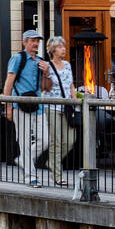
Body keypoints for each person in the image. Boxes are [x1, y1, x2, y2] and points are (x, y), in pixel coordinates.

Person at [2, 29, 46, 186]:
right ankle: (30, 177)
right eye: (32, 40)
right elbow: (9, 83)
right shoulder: (17, 59)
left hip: (38, 105)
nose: (36, 43)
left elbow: (44, 87)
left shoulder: (40, 61)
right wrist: (8, 107)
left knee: (44, 140)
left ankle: (23, 160)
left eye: (37, 41)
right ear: (24, 42)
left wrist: (47, 72)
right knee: (24, 141)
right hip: (20, 106)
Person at [39, 35, 78, 188]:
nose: (64, 49)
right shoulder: (47, 65)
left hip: (67, 107)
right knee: (55, 142)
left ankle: (51, 162)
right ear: (53, 50)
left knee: (70, 140)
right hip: (52, 107)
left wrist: (75, 103)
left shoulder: (67, 65)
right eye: (60, 47)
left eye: (64, 46)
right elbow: (44, 87)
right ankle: (57, 175)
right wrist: (47, 73)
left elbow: (71, 85)